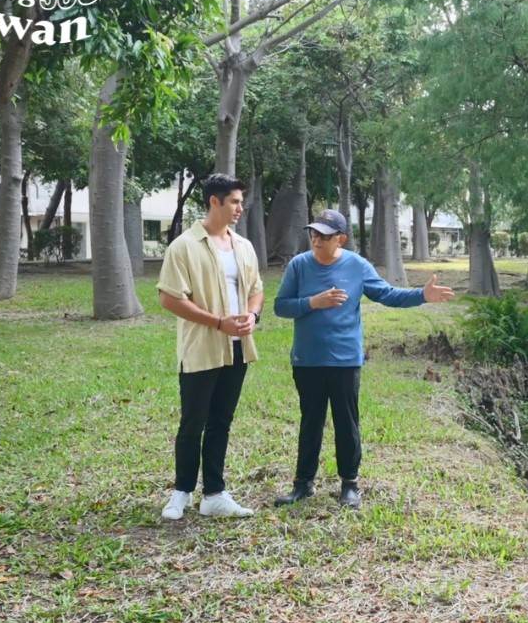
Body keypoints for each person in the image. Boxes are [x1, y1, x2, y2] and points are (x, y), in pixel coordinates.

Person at [272, 209, 455, 509]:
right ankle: (302, 484)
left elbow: (388, 295)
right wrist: (312, 303)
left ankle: (349, 484)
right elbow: (281, 306)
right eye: (313, 234)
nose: (316, 240)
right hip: (307, 360)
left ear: (341, 239)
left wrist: (422, 295)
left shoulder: (356, 266)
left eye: (324, 236)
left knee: (347, 423)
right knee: (311, 423)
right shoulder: (299, 266)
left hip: (344, 360)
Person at [155, 173, 264, 520]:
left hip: (238, 348)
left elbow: (256, 290)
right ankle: (181, 492)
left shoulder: (243, 246)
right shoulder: (184, 246)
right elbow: (169, 298)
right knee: (193, 422)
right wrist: (218, 322)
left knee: (221, 421)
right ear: (214, 201)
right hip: (202, 347)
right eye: (233, 201)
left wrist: (252, 314)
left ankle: (214, 493)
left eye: (241, 202)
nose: (239, 209)